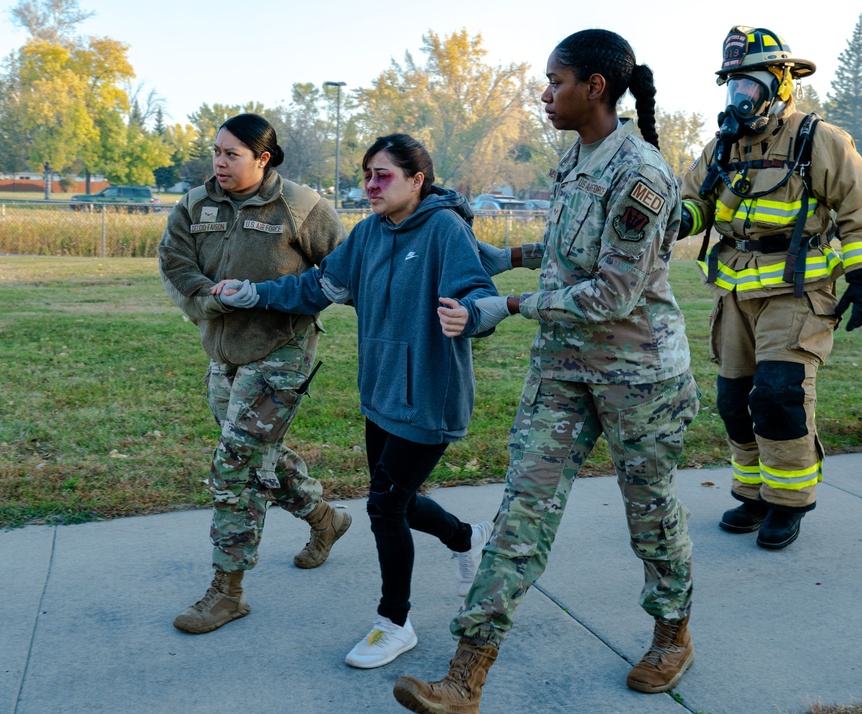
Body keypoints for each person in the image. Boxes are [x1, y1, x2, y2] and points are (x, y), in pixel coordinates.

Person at [393, 29, 699, 714]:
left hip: (637, 376)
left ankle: (672, 632)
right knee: (520, 514)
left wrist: (507, 304)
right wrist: (510, 256)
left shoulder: (641, 175)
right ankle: (465, 676)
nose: (543, 93)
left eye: (555, 81)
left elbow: (613, 294)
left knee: (649, 513)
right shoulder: (576, 159)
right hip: (564, 370)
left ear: (595, 86)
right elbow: (570, 253)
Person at [214, 133, 499, 669]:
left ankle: (394, 623)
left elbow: (477, 291)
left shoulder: (444, 230)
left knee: (384, 507)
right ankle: (467, 540)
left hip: (430, 400)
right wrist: (254, 293)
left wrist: (472, 315)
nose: (370, 184)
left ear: (417, 180)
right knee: (399, 499)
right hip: (382, 395)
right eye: (367, 174)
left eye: (383, 175)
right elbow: (317, 286)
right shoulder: (368, 234)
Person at [678, 27, 862, 550]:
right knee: (733, 399)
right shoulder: (723, 144)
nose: (739, 98)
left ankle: (789, 503)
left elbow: (860, 211)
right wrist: (676, 217)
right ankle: (753, 493)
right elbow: (697, 202)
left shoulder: (820, 139)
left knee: (778, 395)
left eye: (749, 86)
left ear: (780, 84)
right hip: (735, 290)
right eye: (732, 87)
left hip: (798, 289)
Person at [158, 113, 351, 635]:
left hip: (281, 351)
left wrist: (285, 298)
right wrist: (210, 296)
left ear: (263, 158)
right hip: (223, 352)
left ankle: (228, 592)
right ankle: (324, 519)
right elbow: (173, 260)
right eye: (215, 152)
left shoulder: (302, 207)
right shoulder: (196, 204)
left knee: (235, 465)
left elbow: (344, 270)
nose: (219, 162)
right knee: (259, 455)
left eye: (231, 154)